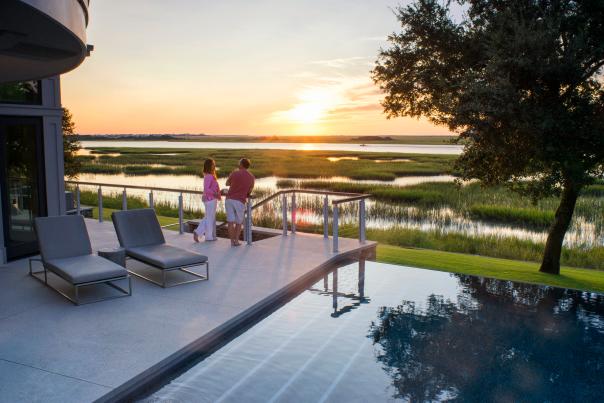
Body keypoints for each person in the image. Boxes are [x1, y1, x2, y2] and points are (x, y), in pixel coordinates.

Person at [225, 158, 255, 246]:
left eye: (239, 163)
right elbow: (250, 190)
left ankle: (231, 242)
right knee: (238, 222)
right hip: (240, 201)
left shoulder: (234, 173)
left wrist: (234, 184)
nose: (238, 164)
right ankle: (236, 241)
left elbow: (227, 183)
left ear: (241, 164)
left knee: (230, 222)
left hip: (229, 199)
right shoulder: (251, 177)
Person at [194, 159, 221, 242]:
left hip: (211, 199)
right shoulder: (209, 176)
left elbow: (212, 188)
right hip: (210, 199)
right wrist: (215, 194)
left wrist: (219, 193)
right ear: (209, 166)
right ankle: (204, 235)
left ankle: (203, 234)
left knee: (209, 217)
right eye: (213, 164)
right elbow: (206, 189)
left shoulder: (209, 175)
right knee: (209, 218)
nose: (214, 166)